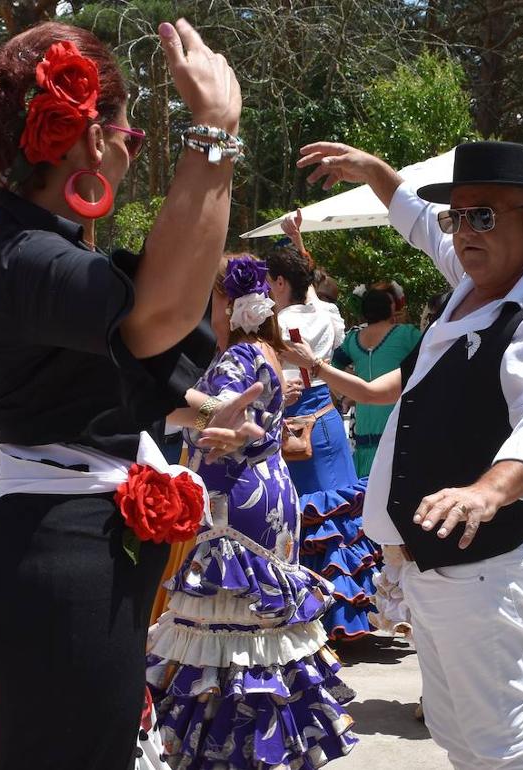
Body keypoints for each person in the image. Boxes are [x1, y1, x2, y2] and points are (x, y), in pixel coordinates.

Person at [0, 19, 262, 768]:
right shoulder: (30, 254)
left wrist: (200, 411)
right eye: (132, 132)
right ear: (94, 139)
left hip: (66, 555)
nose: (132, 148)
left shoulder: (36, 248)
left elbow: (111, 377)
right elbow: (158, 316)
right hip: (61, 561)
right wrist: (214, 136)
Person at [296, 138, 523, 769]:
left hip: (482, 565)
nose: (463, 232)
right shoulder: (473, 280)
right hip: (433, 560)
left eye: (482, 215)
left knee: (505, 746)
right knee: (457, 733)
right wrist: (374, 171)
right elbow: (420, 224)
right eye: (457, 216)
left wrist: (488, 490)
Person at [145, 255, 359, 767]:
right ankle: (264, 742)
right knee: (260, 625)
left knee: (230, 624)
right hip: (265, 493)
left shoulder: (237, 357)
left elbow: (222, 413)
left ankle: (230, 747)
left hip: (235, 503)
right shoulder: (263, 348)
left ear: (224, 301)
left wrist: (218, 423)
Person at [267, 226, 378, 641]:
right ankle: (353, 612)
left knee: (304, 515)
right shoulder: (326, 313)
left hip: (294, 426)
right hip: (328, 422)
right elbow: (311, 289)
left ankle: (312, 615)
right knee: (341, 513)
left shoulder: (272, 324)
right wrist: (298, 243)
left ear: (280, 282)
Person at [332, 285, 421, 476]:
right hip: (398, 428)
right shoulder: (407, 334)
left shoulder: (352, 339)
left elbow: (335, 365)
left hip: (364, 430)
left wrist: (351, 392)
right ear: (391, 308)